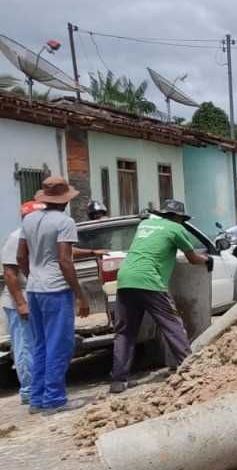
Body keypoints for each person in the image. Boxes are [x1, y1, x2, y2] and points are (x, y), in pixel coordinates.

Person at [109, 199, 210, 394]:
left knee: (125, 331)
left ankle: (118, 380)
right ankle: (190, 368)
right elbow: (192, 258)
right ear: (179, 217)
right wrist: (208, 259)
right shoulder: (176, 228)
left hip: (125, 278)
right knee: (172, 325)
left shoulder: (144, 224)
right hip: (150, 281)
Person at [18, 176, 92, 413]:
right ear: (65, 199)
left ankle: (37, 399)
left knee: (40, 345)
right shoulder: (64, 221)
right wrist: (79, 294)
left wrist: (32, 276)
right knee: (59, 345)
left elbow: (21, 257)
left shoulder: (28, 219)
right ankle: (54, 399)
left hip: (34, 288)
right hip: (56, 289)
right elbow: (65, 261)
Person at [3, 201, 46, 404]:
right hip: (19, 301)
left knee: (38, 344)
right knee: (25, 346)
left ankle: (40, 385)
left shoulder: (39, 236)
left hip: (36, 298)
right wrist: (21, 303)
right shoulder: (16, 238)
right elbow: (10, 274)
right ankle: (29, 391)